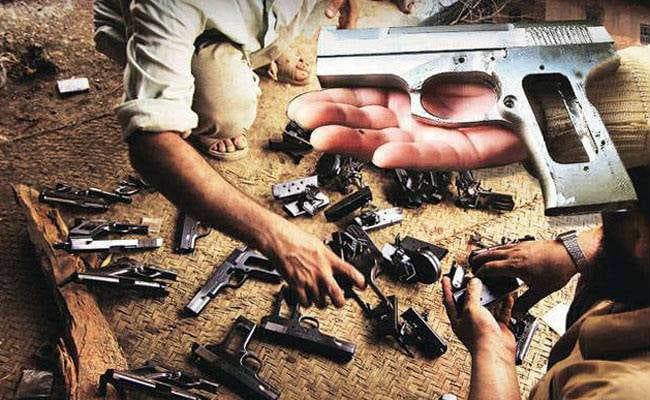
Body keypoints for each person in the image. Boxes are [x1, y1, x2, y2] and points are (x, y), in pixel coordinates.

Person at [288, 45, 650, 399]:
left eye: (614, 215)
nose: (602, 227)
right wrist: (574, 251)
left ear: (641, 238)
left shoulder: (617, 390)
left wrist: (494, 353)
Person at [92, 0, 374, 308]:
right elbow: (151, 145)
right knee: (224, 111)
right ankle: (200, 105)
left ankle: (265, 49)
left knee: (274, 20)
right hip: (169, 26)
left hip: (245, 18)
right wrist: (278, 237)